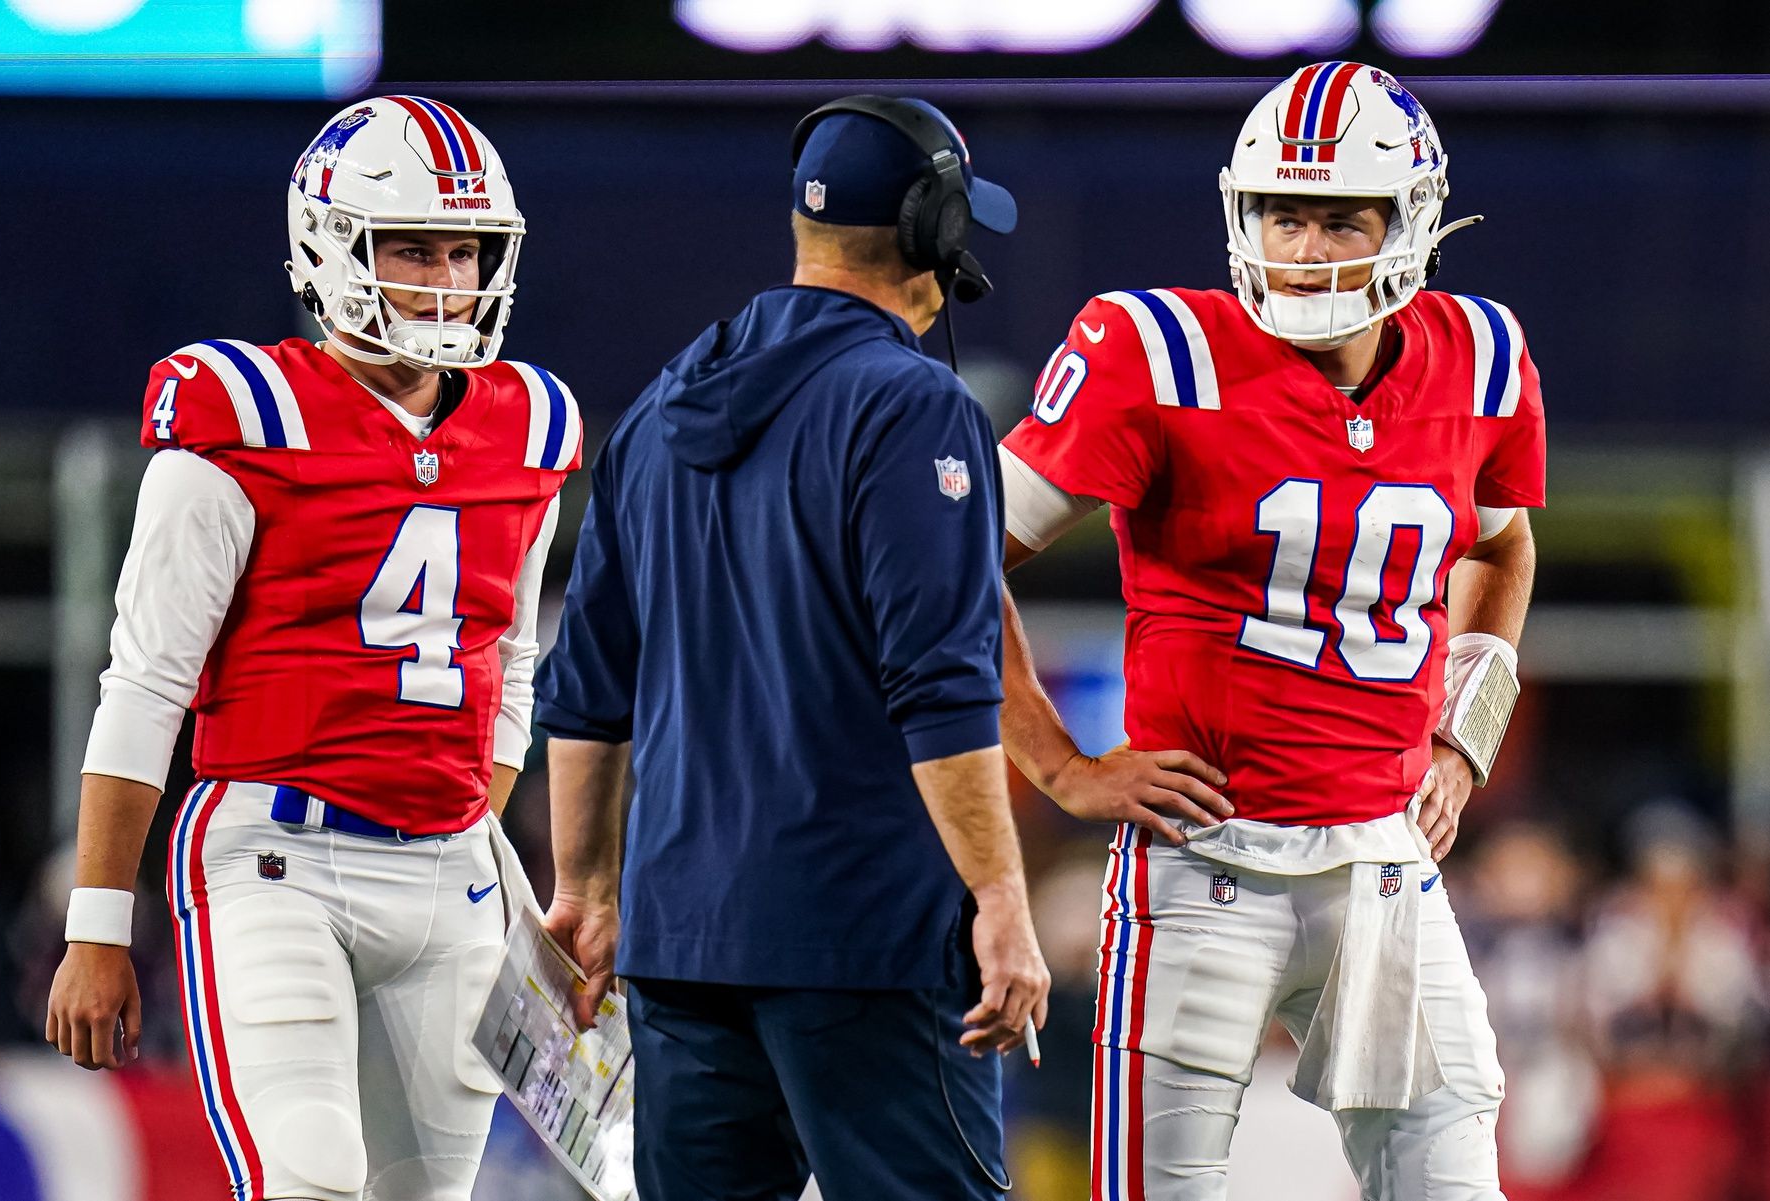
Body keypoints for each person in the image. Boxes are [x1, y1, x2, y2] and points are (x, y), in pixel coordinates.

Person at [998, 63, 1545, 1199]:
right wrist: (1057, 763)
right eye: (1280, 216)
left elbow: (1501, 547)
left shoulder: (1482, 355)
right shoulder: (1153, 350)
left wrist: (1464, 737)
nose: (1303, 250)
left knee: (1454, 1180)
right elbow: (943, 565)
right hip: (1206, 863)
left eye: (1338, 217)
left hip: (1388, 867)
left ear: (1413, 221)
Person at [43, 95, 580, 1201]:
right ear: (332, 249)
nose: (445, 280)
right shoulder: (242, 416)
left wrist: (470, 829)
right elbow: (144, 685)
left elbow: (509, 661)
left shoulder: (527, 428)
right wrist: (97, 923)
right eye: (411, 248)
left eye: (463, 251)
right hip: (277, 855)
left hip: (450, 876)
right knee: (311, 1176)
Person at [533, 95, 1049, 1201]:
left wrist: (586, 887)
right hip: (869, 939)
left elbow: (583, 691)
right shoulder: (914, 404)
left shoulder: (663, 403)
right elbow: (940, 683)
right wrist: (1000, 897)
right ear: (933, 231)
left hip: (682, 945)